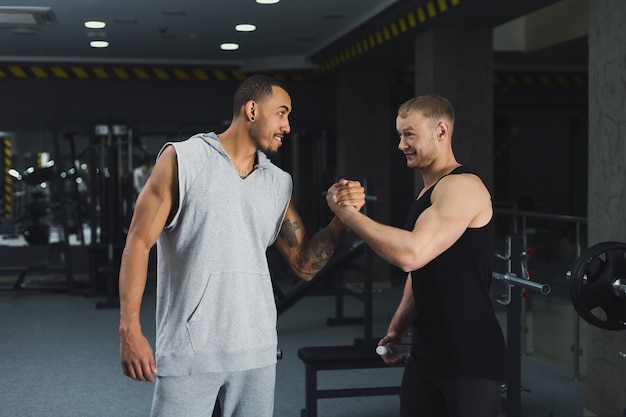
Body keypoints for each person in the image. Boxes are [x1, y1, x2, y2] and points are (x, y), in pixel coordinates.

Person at [118, 74, 365, 417]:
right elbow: (138, 242)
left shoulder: (278, 183)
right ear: (252, 110)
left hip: (256, 350)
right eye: (281, 113)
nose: (287, 126)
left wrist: (342, 217)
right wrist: (129, 329)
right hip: (192, 348)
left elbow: (304, 265)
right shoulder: (183, 160)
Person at [326, 94, 506, 417]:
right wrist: (397, 326)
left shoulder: (463, 186)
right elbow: (421, 271)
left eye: (409, 135)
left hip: (469, 355)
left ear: (441, 132)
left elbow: (412, 255)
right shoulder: (427, 192)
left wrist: (348, 216)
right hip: (427, 354)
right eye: (399, 135)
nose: (401, 145)